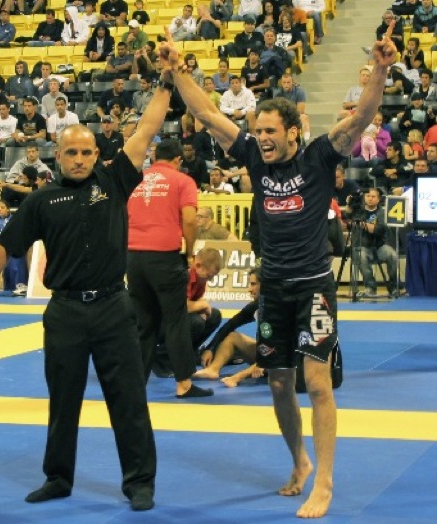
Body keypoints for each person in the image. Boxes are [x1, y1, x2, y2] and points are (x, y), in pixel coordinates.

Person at [158, 21, 397, 518]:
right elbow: (204, 112)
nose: (261, 139)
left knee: (316, 382)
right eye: (258, 131)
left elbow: (364, 116)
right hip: (273, 292)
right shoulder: (250, 154)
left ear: (292, 132)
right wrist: (179, 68)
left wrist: (381, 67)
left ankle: (325, 481)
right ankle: (300, 463)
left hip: (314, 288)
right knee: (278, 383)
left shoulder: (318, 156)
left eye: (270, 132)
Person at [0, 80, 174, 513]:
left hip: (114, 308)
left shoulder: (115, 181)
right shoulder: (42, 200)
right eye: (71, 152)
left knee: (129, 399)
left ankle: (139, 483)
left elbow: (146, 130)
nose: (79, 159)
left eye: (86, 152)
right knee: (64, 401)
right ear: (56, 156)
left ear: (97, 155)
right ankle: (58, 478)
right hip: (64, 312)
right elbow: (4, 246)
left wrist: (167, 84)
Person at [127, 138, 213, 398]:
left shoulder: (136, 180)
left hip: (134, 258)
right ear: (178, 160)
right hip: (165, 256)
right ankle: (184, 384)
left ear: (154, 158)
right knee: (176, 321)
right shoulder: (182, 181)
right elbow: (189, 218)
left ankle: (135, 385)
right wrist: (189, 250)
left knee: (144, 323)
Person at [193, 267, 262, 382]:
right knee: (232, 337)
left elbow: (281, 345)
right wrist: (210, 348)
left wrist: (238, 376)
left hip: (281, 357)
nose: (249, 289)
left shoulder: (278, 308)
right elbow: (229, 325)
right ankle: (212, 370)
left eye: (253, 284)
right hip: (265, 352)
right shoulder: (254, 307)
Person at [348, 188, 399, 297]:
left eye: (373, 196)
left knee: (392, 255)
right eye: (368, 196)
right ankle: (370, 287)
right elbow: (348, 220)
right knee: (360, 255)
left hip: (379, 246)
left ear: (378, 199)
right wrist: (349, 205)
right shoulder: (358, 210)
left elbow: (379, 230)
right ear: (364, 198)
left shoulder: (382, 212)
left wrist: (363, 225)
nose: (370, 198)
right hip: (363, 247)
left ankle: (394, 286)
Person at [186, 247, 223, 352]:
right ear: (198, 265)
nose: (209, 280)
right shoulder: (185, 274)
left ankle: (191, 351)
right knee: (197, 322)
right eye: (208, 276)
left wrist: (201, 308)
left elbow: (198, 298)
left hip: (179, 315)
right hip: (162, 320)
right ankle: (164, 354)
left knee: (214, 316)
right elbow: (179, 306)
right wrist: (203, 306)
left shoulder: (200, 277)